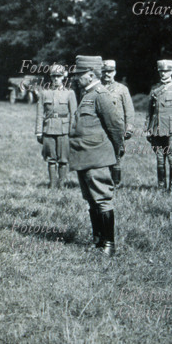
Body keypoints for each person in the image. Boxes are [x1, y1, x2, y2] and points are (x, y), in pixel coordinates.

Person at [69, 55, 125, 255]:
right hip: (84, 156)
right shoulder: (86, 94)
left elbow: (116, 126)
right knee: (91, 200)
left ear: (91, 74)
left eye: (79, 74)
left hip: (97, 157)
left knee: (102, 199)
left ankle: (109, 245)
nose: (76, 78)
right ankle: (98, 240)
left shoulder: (100, 94)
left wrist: (116, 152)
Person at [146, 59, 172, 191]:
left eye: (167, 71)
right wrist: (148, 129)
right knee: (159, 159)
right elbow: (150, 112)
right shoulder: (155, 89)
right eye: (161, 71)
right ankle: (161, 187)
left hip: (171, 131)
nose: (164, 74)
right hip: (157, 130)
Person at [35, 64, 77, 189]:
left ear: (63, 77)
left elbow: (74, 114)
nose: (56, 79)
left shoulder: (70, 93)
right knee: (51, 159)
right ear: (50, 77)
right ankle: (53, 185)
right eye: (54, 76)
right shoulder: (44, 93)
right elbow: (39, 114)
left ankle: (62, 184)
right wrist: (38, 131)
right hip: (48, 129)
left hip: (64, 130)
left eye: (59, 76)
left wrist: (72, 131)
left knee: (63, 159)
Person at [101, 59, 135, 187]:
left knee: (117, 156)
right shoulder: (97, 88)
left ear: (114, 72)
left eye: (110, 71)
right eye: (104, 72)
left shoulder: (122, 89)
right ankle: (103, 182)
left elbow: (129, 110)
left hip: (117, 127)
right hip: (100, 127)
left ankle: (116, 183)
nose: (107, 74)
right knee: (101, 155)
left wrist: (129, 127)